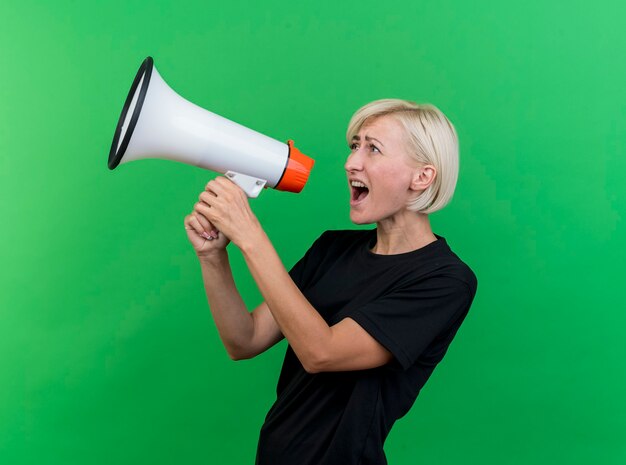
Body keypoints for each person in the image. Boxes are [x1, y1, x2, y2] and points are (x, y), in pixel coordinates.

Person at [184, 99, 477, 465]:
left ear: (422, 177)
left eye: (373, 148)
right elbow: (244, 340)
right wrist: (213, 257)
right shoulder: (332, 249)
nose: (351, 162)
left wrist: (249, 236)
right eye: (355, 146)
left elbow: (322, 353)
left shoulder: (444, 281)